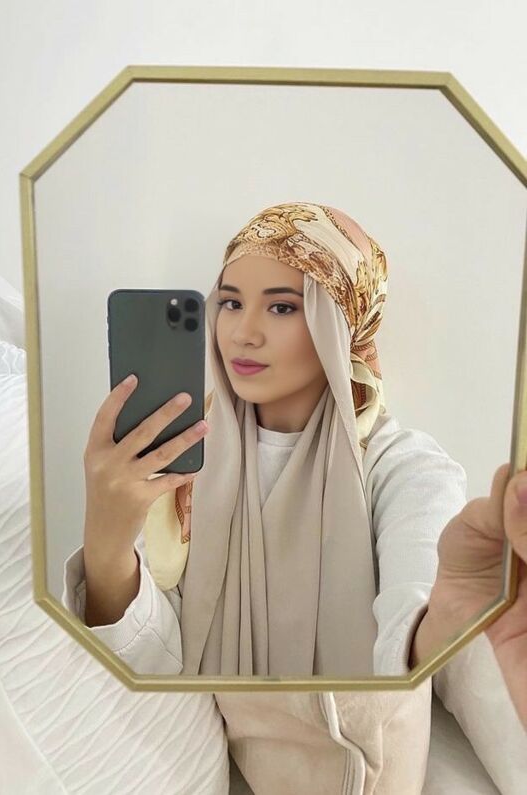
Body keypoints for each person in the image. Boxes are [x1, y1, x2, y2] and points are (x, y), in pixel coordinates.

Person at [63, 202, 525, 791]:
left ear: (343, 326)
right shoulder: (184, 462)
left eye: (282, 306)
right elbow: (156, 670)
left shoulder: (403, 467)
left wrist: (446, 621)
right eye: (231, 302)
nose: (243, 331)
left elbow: (408, 625)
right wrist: (106, 539)